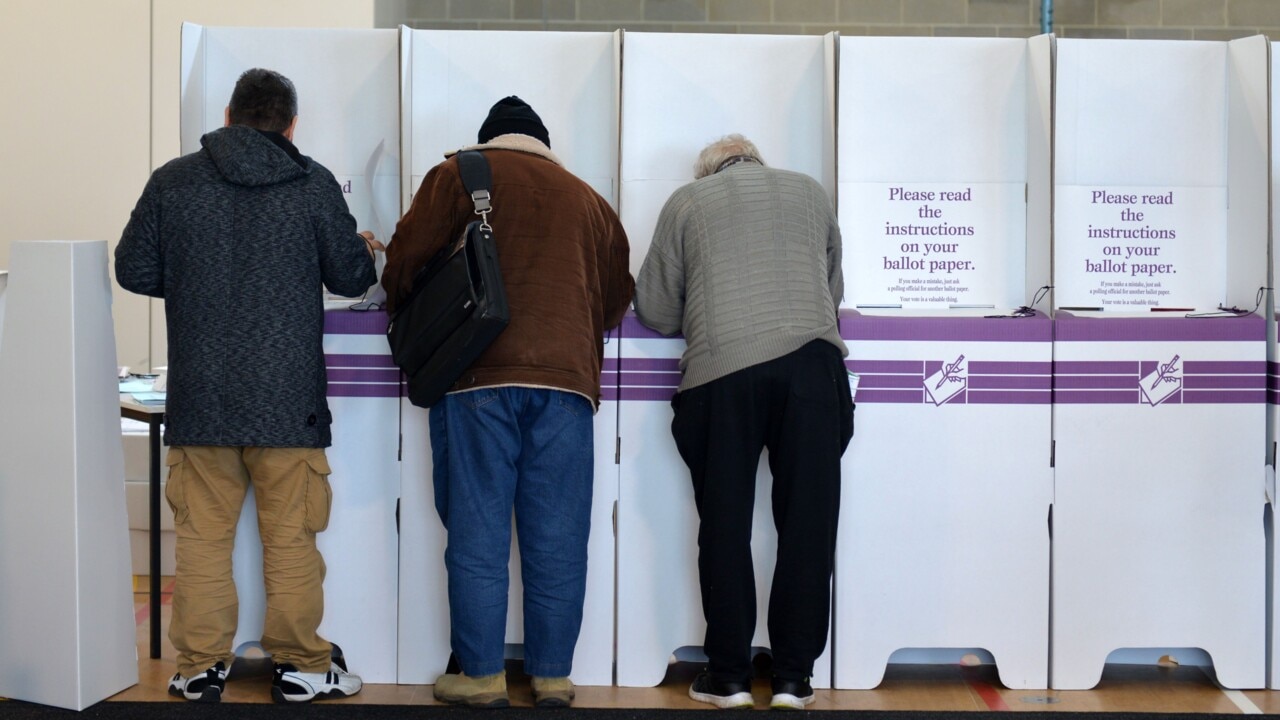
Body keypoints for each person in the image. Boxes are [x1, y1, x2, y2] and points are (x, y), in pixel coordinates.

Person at [115, 68, 380, 704]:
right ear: (291, 124)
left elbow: (132, 267)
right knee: (291, 539)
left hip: (200, 398)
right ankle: (301, 668)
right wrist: (365, 250)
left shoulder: (172, 181)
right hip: (289, 403)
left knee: (202, 539)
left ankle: (199, 667)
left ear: (229, 117)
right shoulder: (312, 182)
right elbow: (349, 278)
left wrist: (192, 280)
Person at [382, 96, 633, 708]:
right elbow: (616, 297)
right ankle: (552, 676)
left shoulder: (454, 177)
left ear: (488, 141)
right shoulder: (589, 200)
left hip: (476, 378)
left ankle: (483, 676)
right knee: (559, 537)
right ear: (543, 143)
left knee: (478, 532)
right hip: (567, 386)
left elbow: (404, 265)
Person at [634, 135, 854, 710]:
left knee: (725, 526)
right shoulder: (810, 192)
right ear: (758, 160)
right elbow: (831, 292)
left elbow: (654, 310)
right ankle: (792, 679)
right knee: (807, 524)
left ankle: (728, 677)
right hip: (811, 365)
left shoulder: (688, 201)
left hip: (721, 373)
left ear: (707, 170)